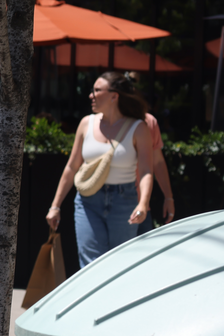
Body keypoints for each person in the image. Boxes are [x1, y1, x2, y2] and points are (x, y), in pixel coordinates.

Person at [47, 71, 155, 267]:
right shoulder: (86, 123)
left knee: (120, 265)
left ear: (114, 96)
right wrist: (55, 205)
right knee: (90, 266)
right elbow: (71, 167)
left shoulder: (138, 128)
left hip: (125, 201)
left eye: (97, 90)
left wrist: (143, 203)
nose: (91, 95)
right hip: (88, 201)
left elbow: (147, 170)